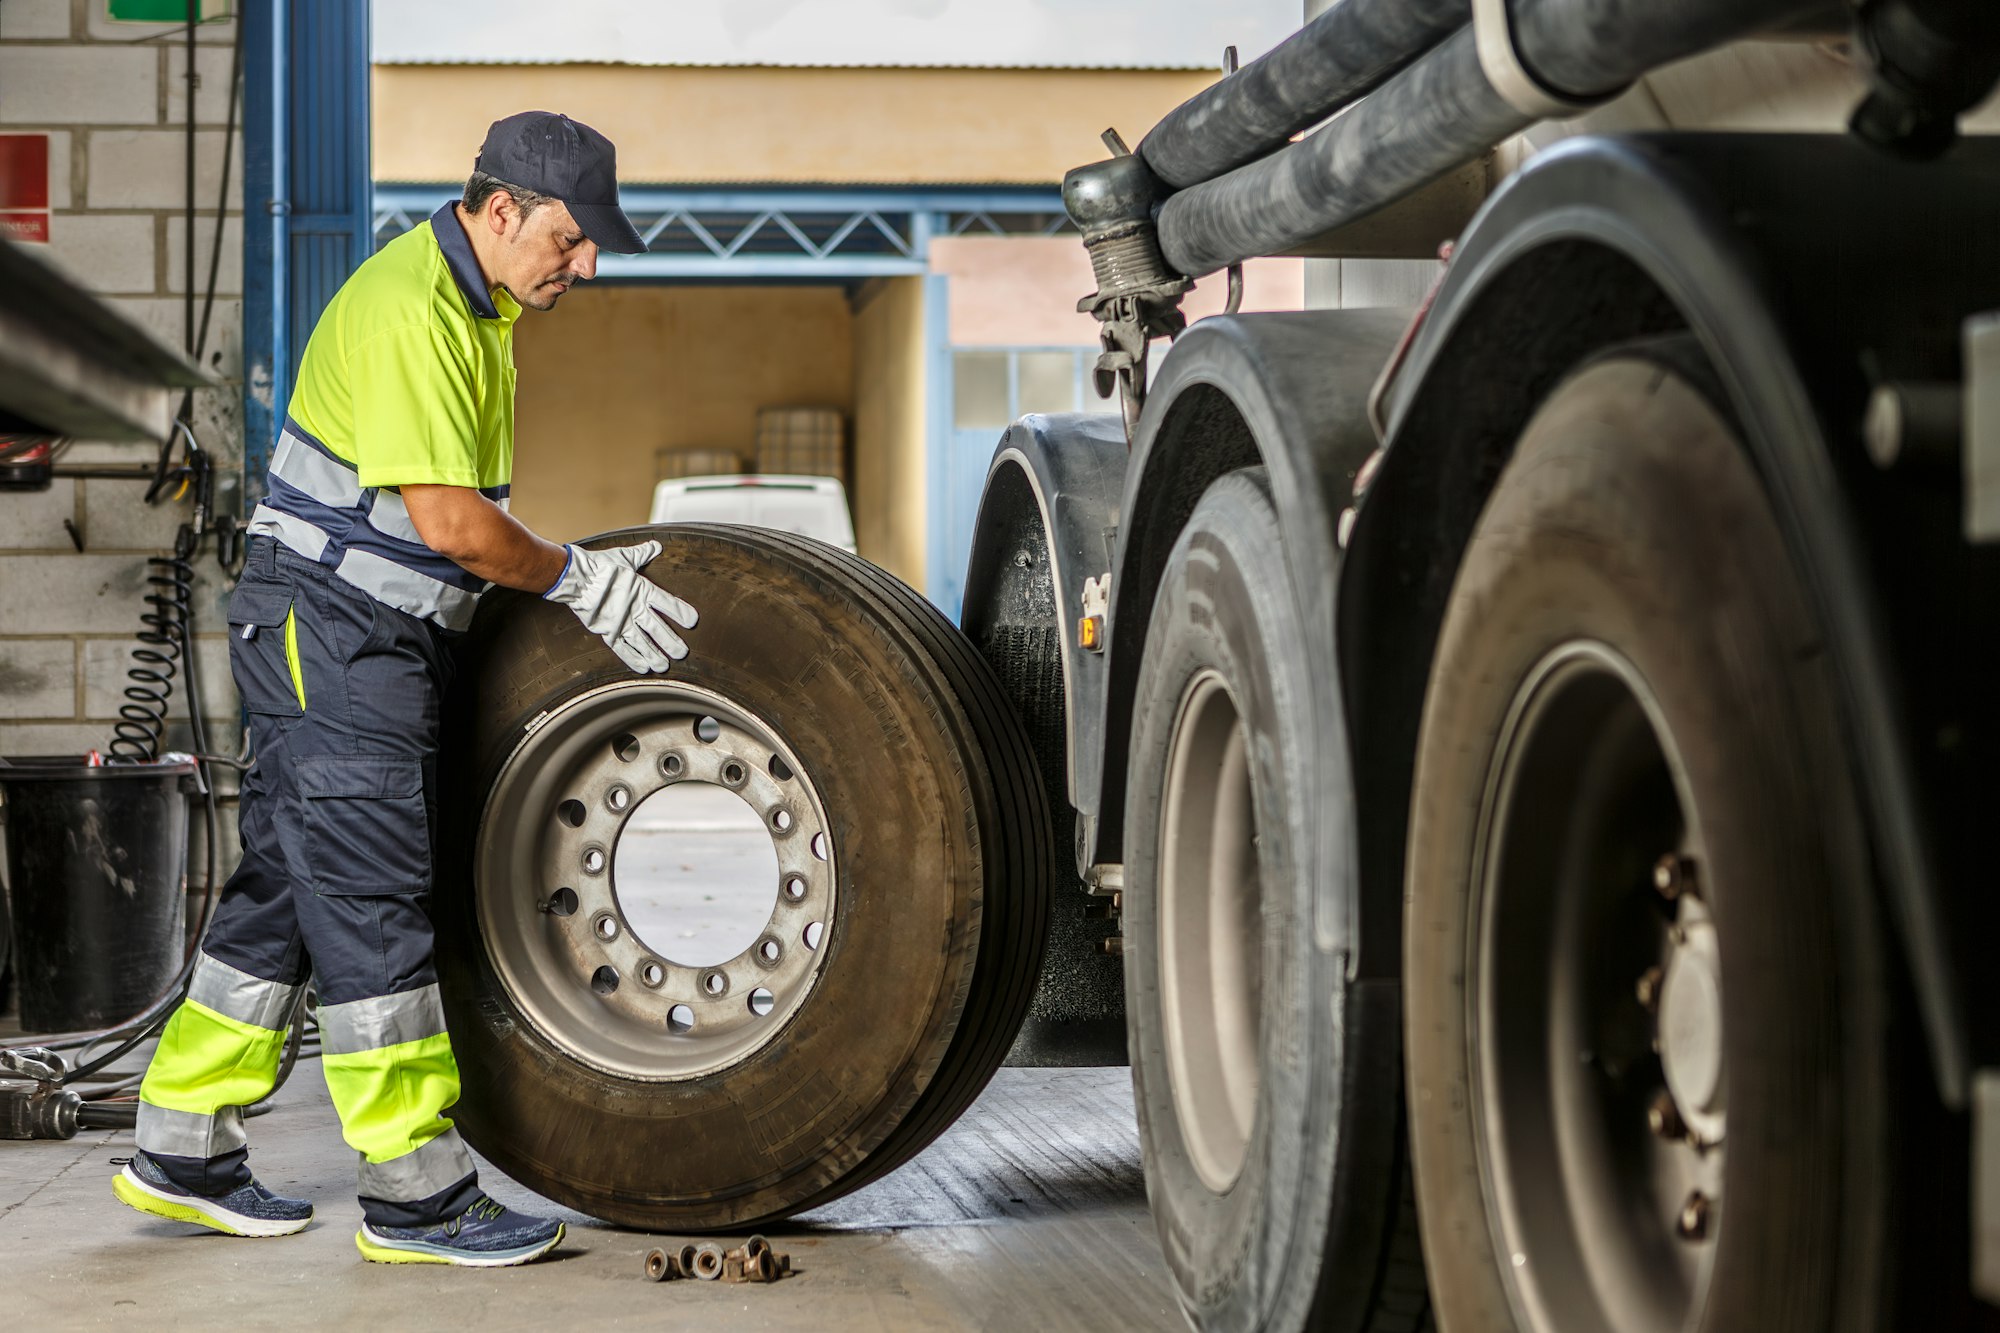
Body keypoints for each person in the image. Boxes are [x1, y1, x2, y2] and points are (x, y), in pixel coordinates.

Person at [112, 112, 695, 1267]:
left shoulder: (478, 305)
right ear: (498, 211)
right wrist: (575, 579)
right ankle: (415, 1194)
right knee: (373, 892)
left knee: (289, 883)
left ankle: (181, 1142)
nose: (585, 266)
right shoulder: (414, 310)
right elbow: (453, 526)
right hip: (331, 634)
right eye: (570, 240)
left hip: (357, 633)